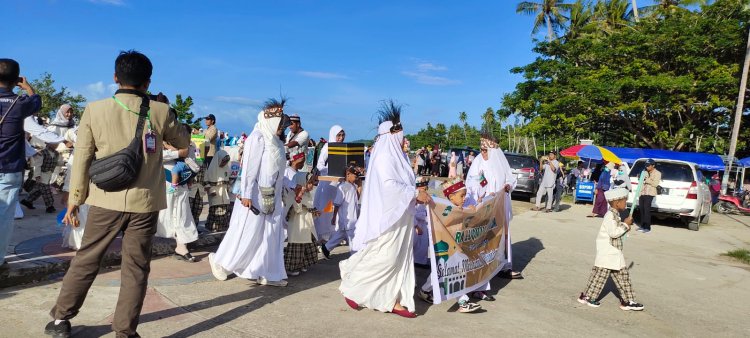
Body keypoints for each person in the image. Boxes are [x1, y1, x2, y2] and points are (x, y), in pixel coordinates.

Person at [46, 50, 189, 338]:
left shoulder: (94, 109)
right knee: (136, 267)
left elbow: (83, 156)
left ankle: (61, 319)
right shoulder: (160, 112)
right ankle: (125, 330)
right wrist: (166, 111)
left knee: (87, 258)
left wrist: (75, 199)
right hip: (145, 203)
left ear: (115, 77)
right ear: (148, 82)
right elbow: (183, 141)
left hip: (104, 199)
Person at [339, 100, 430, 319]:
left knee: (397, 259)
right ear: (392, 135)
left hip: (400, 216)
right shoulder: (385, 156)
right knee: (386, 258)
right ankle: (354, 286)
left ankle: (394, 299)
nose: (403, 140)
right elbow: (390, 187)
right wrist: (414, 193)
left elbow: (402, 184)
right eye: (400, 135)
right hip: (389, 217)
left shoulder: (396, 157)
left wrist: (415, 194)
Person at [208, 98, 290, 287]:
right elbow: (249, 170)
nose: (282, 128)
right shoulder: (257, 137)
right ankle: (220, 261)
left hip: (273, 196)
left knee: (269, 234)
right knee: (245, 231)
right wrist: (246, 194)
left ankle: (267, 271)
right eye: (279, 123)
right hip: (254, 196)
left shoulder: (275, 141)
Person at [417, 179, 486, 313]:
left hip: (454, 248)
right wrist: (467, 211)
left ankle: (425, 290)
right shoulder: (444, 208)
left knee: (442, 272)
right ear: (451, 196)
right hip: (443, 247)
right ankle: (463, 301)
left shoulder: (457, 209)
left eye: (465, 194)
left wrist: (471, 210)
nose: (465, 198)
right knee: (451, 273)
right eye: (462, 195)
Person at [0, 59, 41, 268]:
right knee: (4, 217)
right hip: (9, 168)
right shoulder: (20, 103)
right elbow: (37, 102)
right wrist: (27, 87)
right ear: (16, 79)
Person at [465, 132, 521, 280]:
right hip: (485, 204)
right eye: (481, 150)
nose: (483, 154)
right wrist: (479, 193)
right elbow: (470, 181)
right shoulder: (478, 161)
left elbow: (511, 179)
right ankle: (483, 267)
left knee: (503, 234)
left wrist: (509, 186)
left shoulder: (501, 163)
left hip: (501, 205)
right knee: (485, 236)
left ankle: (505, 266)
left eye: (485, 151)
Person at [577, 188, 644, 311]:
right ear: (617, 203)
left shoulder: (614, 215)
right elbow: (613, 233)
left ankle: (628, 301)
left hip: (614, 253)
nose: (626, 203)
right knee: (599, 277)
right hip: (608, 253)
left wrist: (625, 225)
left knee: (622, 277)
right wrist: (625, 224)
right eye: (624, 201)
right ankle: (589, 297)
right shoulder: (610, 216)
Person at [156, 135, 200, 263]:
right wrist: (177, 153)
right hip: (165, 185)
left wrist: (183, 154)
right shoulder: (157, 141)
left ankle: (182, 247)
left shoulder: (188, 145)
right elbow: (155, 157)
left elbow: (194, 162)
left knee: (182, 215)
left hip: (182, 186)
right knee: (164, 215)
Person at [284, 169, 320, 276]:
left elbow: (309, 207)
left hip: (306, 224)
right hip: (297, 225)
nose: (311, 186)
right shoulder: (292, 195)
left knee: (307, 245)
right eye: (309, 183)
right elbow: (296, 209)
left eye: (312, 183)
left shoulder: (308, 195)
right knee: (297, 247)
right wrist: (299, 197)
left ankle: (302, 264)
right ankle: (292, 267)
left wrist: (314, 212)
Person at [313, 125, 345, 242]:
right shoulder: (327, 147)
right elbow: (320, 165)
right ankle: (323, 235)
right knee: (325, 208)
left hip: (339, 183)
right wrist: (331, 170)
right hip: (327, 183)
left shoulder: (344, 148)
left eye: (342, 135)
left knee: (337, 207)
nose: (340, 138)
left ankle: (335, 234)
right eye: (338, 135)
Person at [321, 165, 361, 258]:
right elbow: (337, 204)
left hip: (352, 217)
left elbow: (356, 198)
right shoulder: (343, 187)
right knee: (352, 239)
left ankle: (326, 248)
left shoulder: (352, 186)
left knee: (340, 235)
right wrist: (334, 217)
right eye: (355, 177)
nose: (356, 179)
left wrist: (360, 186)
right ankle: (354, 257)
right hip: (347, 218)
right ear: (348, 174)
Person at [20, 141, 64, 213]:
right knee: (46, 191)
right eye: (54, 143)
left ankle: (27, 201)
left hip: (48, 175)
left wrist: (63, 163)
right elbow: (37, 165)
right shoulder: (42, 153)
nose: (56, 145)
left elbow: (55, 162)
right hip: (42, 174)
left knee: (39, 190)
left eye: (57, 143)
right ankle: (50, 206)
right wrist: (37, 175)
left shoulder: (56, 153)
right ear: (48, 143)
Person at [204, 149, 232, 232]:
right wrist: (211, 191)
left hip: (224, 194)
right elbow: (207, 181)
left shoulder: (226, 168)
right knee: (215, 211)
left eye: (225, 162)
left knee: (225, 211)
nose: (224, 164)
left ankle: (222, 227)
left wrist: (228, 188)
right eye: (223, 161)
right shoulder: (212, 169)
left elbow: (228, 180)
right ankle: (213, 227)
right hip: (215, 194)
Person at [637, 159, 661, 233]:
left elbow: (655, 184)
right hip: (642, 193)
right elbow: (641, 182)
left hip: (650, 193)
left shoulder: (657, 173)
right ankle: (642, 226)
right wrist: (639, 177)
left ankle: (647, 227)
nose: (647, 167)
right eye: (646, 165)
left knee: (647, 210)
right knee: (641, 209)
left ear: (653, 165)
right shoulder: (644, 172)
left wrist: (646, 179)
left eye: (648, 165)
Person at [412, 176, 430, 266]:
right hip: (415, 225)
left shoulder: (425, 197)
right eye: (422, 188)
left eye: (426, 188)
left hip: (423, 224)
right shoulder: (414, 199)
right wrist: (416, 225)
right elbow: (412, 213)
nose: (425, 189)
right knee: (415, 243)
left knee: (423, 244)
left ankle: (421, 261)